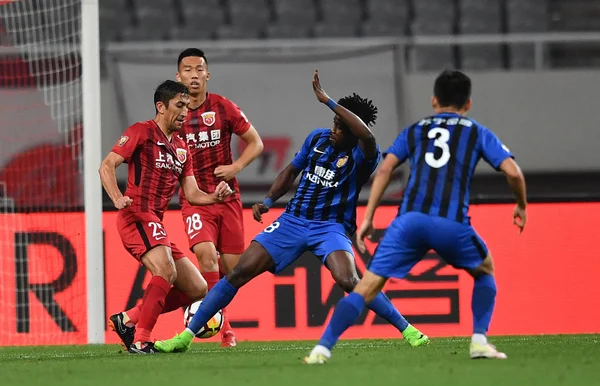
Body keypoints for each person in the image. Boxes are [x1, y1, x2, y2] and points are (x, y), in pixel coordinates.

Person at [154, 69, 429, 354]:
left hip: (330, 227)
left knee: (349, 280)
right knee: (238, 273)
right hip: (292, 222)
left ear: (351, 131)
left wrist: (329, 101)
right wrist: (269, 201)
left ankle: (409, 330)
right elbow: (291, 171)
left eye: (339, 126)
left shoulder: (363, 155)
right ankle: (185, 337)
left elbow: (368, 137)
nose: (333, 130)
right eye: (333, 124)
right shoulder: (318, 140)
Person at [303, 70, 527, 364]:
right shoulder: (475, 131)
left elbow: (385, 170)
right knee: (484, 270)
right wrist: (521, 206)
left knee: (367, 286)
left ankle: (322, 349)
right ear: (468, 104)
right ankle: (479, 342)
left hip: (408, 222)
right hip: (451, 222)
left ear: (434, 101)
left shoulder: (416, 129)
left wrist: (369, 216)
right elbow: (513, 172)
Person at [99, 80, 233, 354]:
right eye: (179, 105)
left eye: (187, 106)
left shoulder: (182, 148)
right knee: (166, 270)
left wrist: (215, 197)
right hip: (135, 215)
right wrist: (116, 197)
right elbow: (107, 165)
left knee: (197, 287)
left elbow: (193, 193)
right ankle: (142, 339)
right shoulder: (141, 132)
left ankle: (128, 320)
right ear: (161, 106)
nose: (185, 112)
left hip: (154, 223)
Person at [175, 48, 264, 347]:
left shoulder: (222, 107)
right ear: (179, 76)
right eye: (187, 70)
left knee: (233, 267)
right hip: (194, 200)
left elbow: (256, 143)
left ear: (207, 74)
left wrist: (236, 167)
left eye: (199, 69)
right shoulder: (174, 115)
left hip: (227, 199)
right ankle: (224, 330)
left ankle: (212, 312)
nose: (194, 75)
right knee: (206, 255)